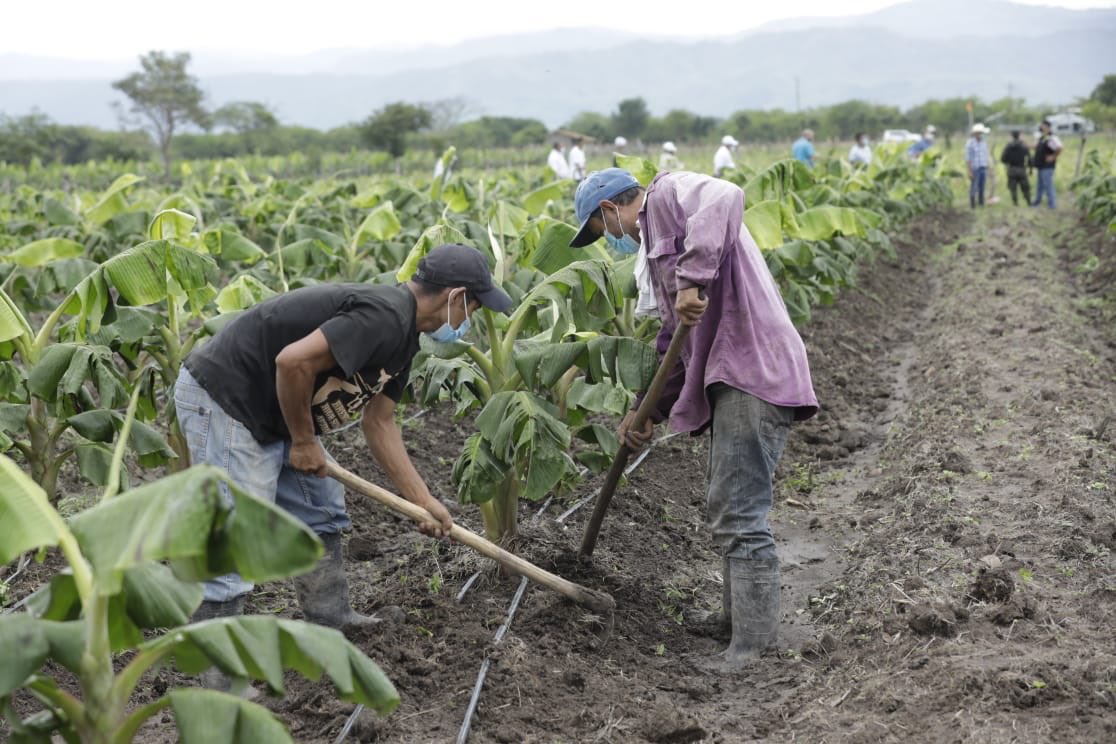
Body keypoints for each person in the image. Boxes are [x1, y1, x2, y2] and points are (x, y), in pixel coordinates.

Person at [176, 243, 513, 639]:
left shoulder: (405, 340)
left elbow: (380, 422)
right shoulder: (384, 317)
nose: (469, 319)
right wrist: (303, 441)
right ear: (456, 296)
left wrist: (420, 501)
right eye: (473, 308)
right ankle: (216, 671)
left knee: (322, 505)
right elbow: (292, 361)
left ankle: (330, 618)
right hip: (227, 397)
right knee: (236, 529)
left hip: (274, 409)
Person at [568, 168, 819, 667]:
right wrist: (646, 411)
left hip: (753, 369)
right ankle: (734, 620)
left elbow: (726, 194)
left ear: (608, 211)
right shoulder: (660, 248)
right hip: (731, 374)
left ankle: (752, 644)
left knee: (739, 510)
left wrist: (693, 278)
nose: (612, 240)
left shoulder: (664, 194)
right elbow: (674, 345)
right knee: (727, 502)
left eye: (602, 232)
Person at [1032, 119, 1063, 209]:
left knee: (1048, 185)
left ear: (1048, 127)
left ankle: (1052, 205)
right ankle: (1037, 202)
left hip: (1047, 166)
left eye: (1043, 126)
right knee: (1040, 185)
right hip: (1041, 165)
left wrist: (1053, 156)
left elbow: (1059, 147)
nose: (1041, 128)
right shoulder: (1042, 137)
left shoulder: (1051, 137)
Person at [1000, 130, 1032, 207]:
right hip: (1021, 169)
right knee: (1025, 187)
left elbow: (1003, 159)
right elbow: (1029, 158)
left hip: (1011, 169)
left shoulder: (1008, 146)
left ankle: (1015, 203)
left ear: (1012, 136)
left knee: (1013, 188)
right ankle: (1029, 202)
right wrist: (1030, 169)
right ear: (1019, 136)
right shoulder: (1024, 146)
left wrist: (1008, 162)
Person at [965, 123, 992, 208]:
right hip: (975, 169)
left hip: (983, 168)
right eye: (980, 133)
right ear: (976, 133)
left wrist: (988, 168)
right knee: (974, 187)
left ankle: (981, 204)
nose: (981, 134)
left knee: (982, 187)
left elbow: (985, 156)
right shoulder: (970, 143)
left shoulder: (984, 143)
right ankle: (972, 205)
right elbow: (968, 158)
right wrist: (969, 171)